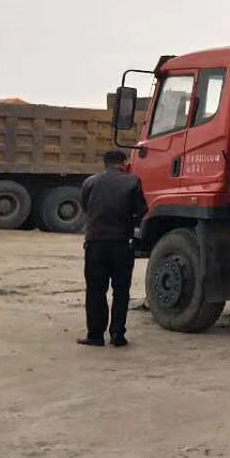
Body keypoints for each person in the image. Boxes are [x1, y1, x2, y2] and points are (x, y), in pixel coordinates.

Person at [78, 149, 146, 348]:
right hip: (122, 244)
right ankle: (117, 334)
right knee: (121, 290)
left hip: (95, 243)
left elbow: (85, 207)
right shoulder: (133, 181)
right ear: (124, 163)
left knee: (95, 290)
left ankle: (95, 335)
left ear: (104, 163)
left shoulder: (90, 182)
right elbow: (141, 210)